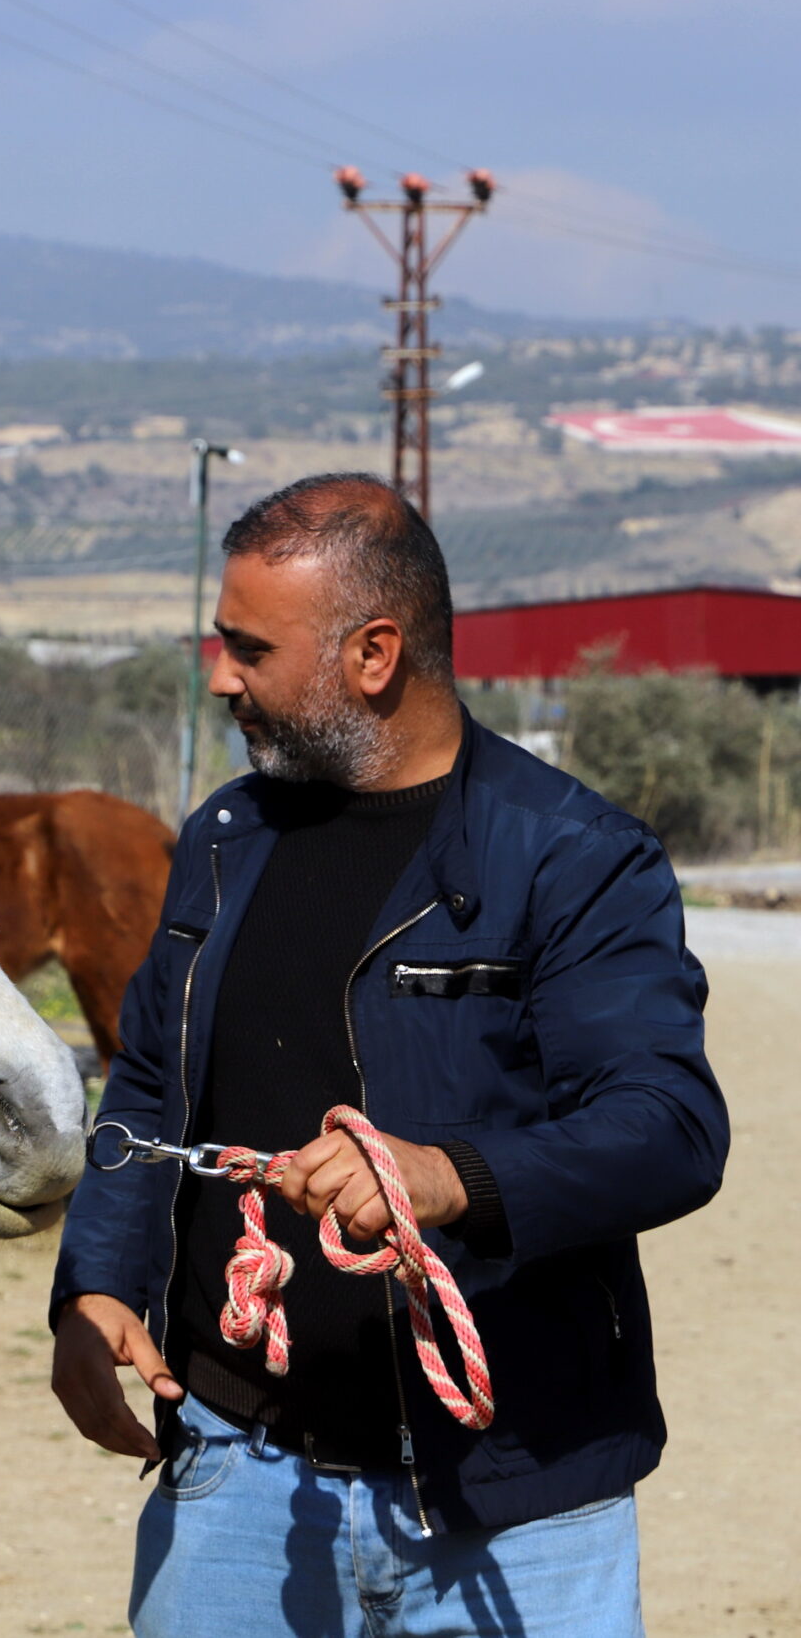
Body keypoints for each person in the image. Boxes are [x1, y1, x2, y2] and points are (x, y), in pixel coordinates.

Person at [48, 473, 728, 1636]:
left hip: (516, 1501)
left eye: (247, 648)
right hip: (233, 1481)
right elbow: (151, 1082)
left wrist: (443, 1175)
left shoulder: (575, 857)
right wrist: (96, 1283)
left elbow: (667, 1127)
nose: (219, 676)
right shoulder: (223, 838)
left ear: (373, 653)